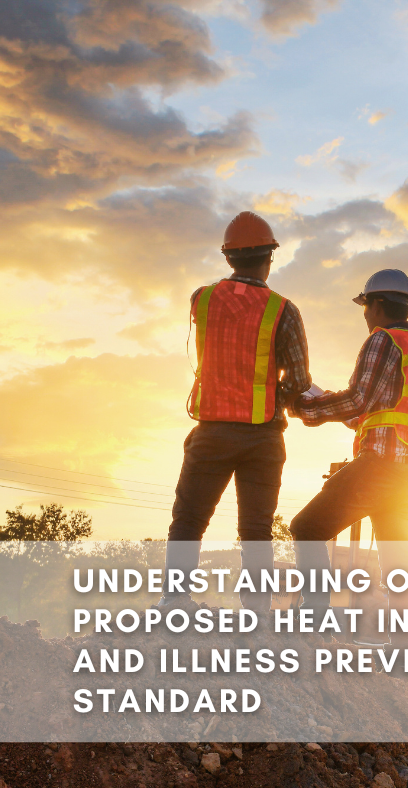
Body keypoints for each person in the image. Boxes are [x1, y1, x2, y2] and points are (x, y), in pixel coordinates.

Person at [159, 211, 311, 613]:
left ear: (228, 257)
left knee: (190, 519)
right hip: (262, 436)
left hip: (212, 432)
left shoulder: (201, 299)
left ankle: (175, 600)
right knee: (257, 530)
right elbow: (297, 381)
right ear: (270, 258)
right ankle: (257, 612)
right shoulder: (284, 311)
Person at [289, 269, 408, 650]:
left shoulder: (381, 341)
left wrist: (308, 407)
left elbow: (357, 400)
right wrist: (327, 407)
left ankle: (315, 627)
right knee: (398, 564)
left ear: (379, 305)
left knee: (307, 527)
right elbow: (375, 414)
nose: (365, 315)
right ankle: (404, 653)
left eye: (366, 306)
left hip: (381, 468)